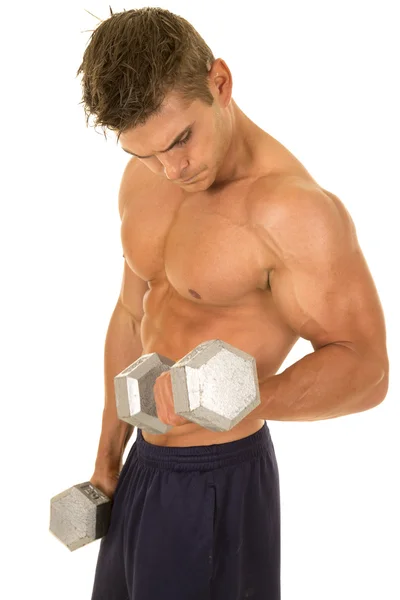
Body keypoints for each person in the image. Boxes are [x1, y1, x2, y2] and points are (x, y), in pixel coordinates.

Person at [75, 7, 389, 600]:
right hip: (142, 467)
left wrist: (244, 397)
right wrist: (106, 460)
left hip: (218, 479)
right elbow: (131, 314)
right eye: (144, 153)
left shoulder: (292, 212)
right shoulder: (148, 178)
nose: (172, 168)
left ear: (220, 83)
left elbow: (367, 368)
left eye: (180, 140)